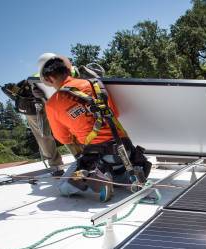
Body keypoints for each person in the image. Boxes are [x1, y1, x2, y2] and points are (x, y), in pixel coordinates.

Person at [39, 55, 151, 202]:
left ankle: (100, 180)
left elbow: (63, 138)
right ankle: (131, 177)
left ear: (49, 79)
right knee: (118, 168)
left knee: (63, 187)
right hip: (125, 150)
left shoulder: (52, 104)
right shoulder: (94, 84)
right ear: (68, 70)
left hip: (97, 157)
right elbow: (114, 112)